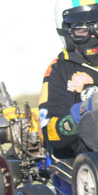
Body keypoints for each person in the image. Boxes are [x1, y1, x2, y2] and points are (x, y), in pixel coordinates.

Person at [39, 0, 98, 158]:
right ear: (66, 31)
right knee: (92, 120)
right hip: (85, 155)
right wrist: (87, 107)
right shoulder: (59, 71)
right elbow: (51, 134)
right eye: (82, 29)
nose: (94, 35)